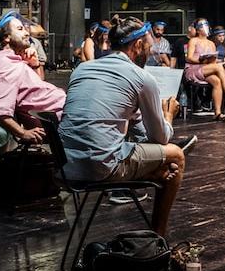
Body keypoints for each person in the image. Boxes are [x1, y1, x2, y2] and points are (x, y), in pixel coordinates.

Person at [57, 17, 188, 236]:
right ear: (138, 45)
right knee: (176, 155)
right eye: (148, 48)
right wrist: (168, 115)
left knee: (157, 164)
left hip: (65, 167)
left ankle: (154, 173)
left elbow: (132, 122)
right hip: (99, 168)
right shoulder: (142, 77)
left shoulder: (81, 69)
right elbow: (160, 138)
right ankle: (159, 237)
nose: (149, 52)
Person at [0, 12, 67, 152]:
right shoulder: (3, 64)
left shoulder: (13, 61)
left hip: (61, 111)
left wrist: (34, 65)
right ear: (6, 37)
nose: (27, 33)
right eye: (20, 29)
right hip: (59, 118)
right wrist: (23, 133)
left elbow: (37, 88)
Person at [184, 18, 225, 120]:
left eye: (206, 25)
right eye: (202, 26)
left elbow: (213, 62)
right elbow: (189, 58)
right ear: (197, 30)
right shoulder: (193, 41)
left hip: (206, 68)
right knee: (219, 67)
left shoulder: (211, 43)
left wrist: (210, 60)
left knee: (217, 81)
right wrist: (201, 60)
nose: (205, 28)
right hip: (194, 69)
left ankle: (217, 113)